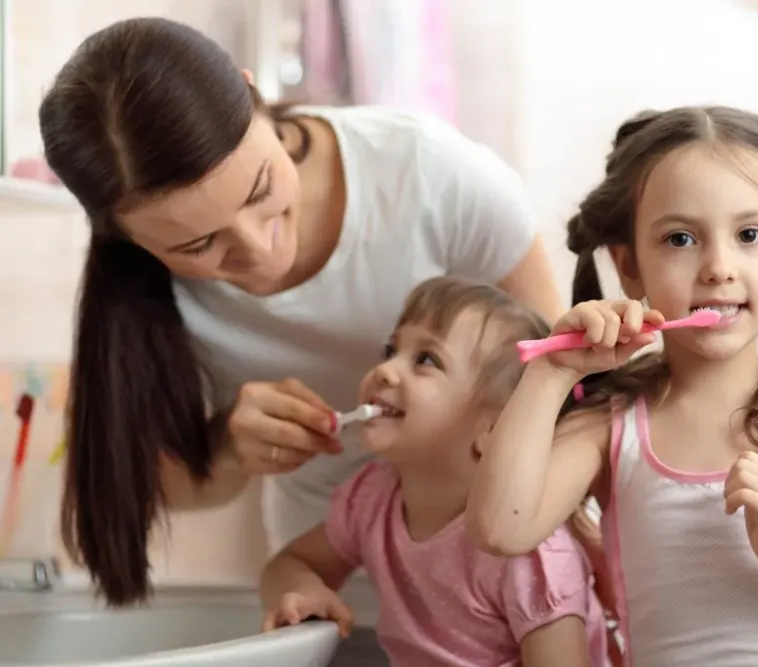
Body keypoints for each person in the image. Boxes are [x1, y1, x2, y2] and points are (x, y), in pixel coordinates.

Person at [38, 15, 568, 618]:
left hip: (503, 575)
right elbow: (168, 485)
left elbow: (561, 390)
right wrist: (232, 447)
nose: (261, 252)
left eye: (260, 189)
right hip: (334, 586)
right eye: (197, 245)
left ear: (253, 97)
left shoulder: (433, 176)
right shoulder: (140, 293)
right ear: (126, 239)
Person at [467, 107, 758, 666]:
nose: (718, 267)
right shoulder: (611, 430)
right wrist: (554, 372)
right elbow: (499, 529)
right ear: (629, 267)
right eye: (680, 239)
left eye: (750, 234)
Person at [259, 276, 608, 666]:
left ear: (495, 430)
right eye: (390, 349)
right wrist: (301, 590)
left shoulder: (529, 553)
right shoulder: (371, 498)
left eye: (426, 359)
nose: (387, 370)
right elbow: (289, 564)